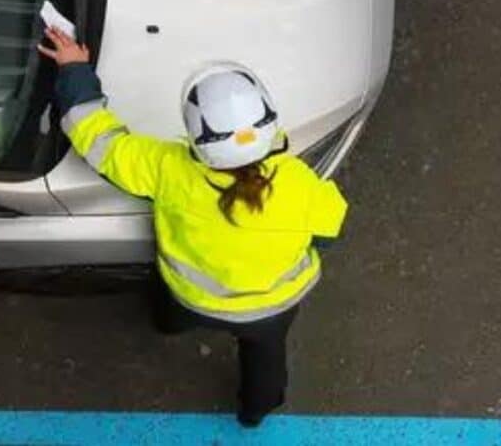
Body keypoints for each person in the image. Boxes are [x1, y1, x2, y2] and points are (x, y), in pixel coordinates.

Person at [38, 26, 348, 427]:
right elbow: (330, 233)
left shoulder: (169, 170)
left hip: (189, 297)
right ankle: (255, 413)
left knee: (170, 311)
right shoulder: (301, 185)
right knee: (266, 361)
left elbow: (103, 144)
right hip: (270, 307)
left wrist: (76, 72)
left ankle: (168, 327)